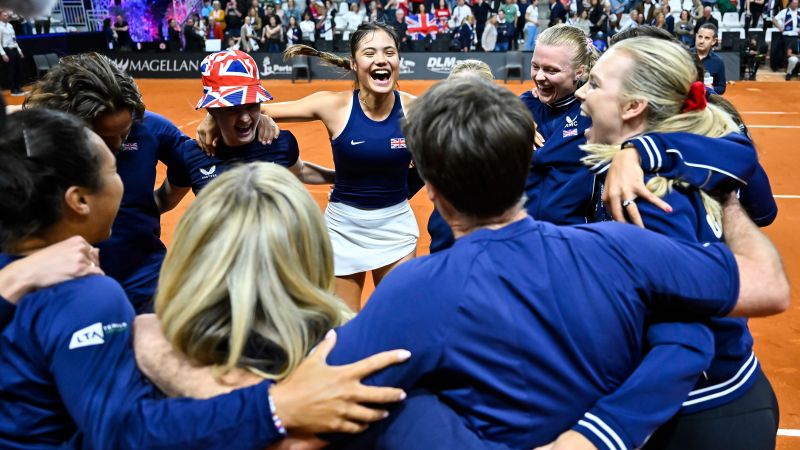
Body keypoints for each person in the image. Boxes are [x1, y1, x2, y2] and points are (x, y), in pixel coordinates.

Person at [322, 77, 789, 449]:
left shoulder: (412, 290)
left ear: (433, 191)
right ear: (526, 166)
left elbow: (317, 400)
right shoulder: (619, 249)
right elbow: (764, 288)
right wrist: (724, 193)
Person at [0, 108, 412, 449]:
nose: (124, 182)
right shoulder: (89, 296)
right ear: (79, 199)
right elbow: (124, 431)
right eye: (113, 170)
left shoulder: (27, 278)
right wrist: (274, 406)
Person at [576, 36, 780, 450]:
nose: (581, 91)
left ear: (634, 107)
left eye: (595, 83)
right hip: (727, 395)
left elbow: (685, 340)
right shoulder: (672, 160)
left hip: (696, 417)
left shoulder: (649, 199)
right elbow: (739, 149)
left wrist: (597, 436)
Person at [198, 23, 417, 311]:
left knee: (397, 317)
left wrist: (407, 188)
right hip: (343, 229)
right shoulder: (331, 105)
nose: (381, 59)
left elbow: (443, 160)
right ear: (354, 63)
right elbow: (252, 107)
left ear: (398, 60)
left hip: (396, 227)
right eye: (370, 52)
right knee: (342, 324)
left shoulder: (417, 109)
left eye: (390, 52)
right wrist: (212, 118)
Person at [22, 53, 203, 313]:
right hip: (71, 282)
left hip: (146, 277)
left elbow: (192, 159)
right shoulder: (42, 142)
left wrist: (161, 201)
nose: (117, 146)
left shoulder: (151, 128)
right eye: (105, 138)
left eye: (125, 132)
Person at [172, 50, 332, 194]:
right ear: (212, 110)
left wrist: (346, 180)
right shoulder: (189, 155)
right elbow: (163, 201)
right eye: (232, 108)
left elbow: (300, 171)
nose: (245, 118)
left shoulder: (282, 142)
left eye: (253, 105)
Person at [694, 23, 726, 94]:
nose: (701, 41)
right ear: (696, 36)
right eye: (700, 37)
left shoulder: (718, 62)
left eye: (707, 38)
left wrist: (712, 88)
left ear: (713, 41)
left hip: (707, 102)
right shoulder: (685, 55)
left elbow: (721, 88)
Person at [0, 9, 24, 96]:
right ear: (0, 16)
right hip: (7, 49)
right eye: (5, 15)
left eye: (7, 15)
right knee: (11, 70)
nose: (7, 17)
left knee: (18, 69)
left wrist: (19, 50)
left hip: (14, 49)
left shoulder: (10, 25)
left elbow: (14, 40)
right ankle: (13, 90)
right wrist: (3, 54)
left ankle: (18, 87)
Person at [773, 0, 799, 80]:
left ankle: (795, 71)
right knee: (788, 54)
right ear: (790, 3)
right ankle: (788, 70)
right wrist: (779, 27)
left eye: (796, 4)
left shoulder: (799, 11)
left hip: (797, 36)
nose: (795, 5)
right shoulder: (784, 11)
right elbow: (774, 19)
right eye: (794, 3)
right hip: (787, 35)